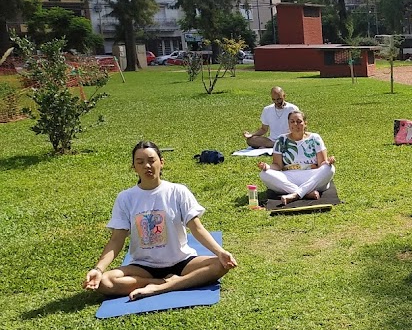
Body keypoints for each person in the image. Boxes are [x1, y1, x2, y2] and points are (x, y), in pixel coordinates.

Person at [84, 141, 237, 301]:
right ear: (134, 167)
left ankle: (162, 288)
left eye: (152, 160)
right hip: (143, 267)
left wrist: (220, 252)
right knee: (104, 282)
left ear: (161, 163)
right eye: (140, 162)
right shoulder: (125, 198)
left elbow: (197, 228)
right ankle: (161, 282)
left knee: (220, 264)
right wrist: (98, 269)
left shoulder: (178, 191)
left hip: (181, 262)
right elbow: (116, 239)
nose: (147, 166)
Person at [257, 110, 336, 204]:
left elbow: (322, 163)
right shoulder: (281, 140)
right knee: (264, 174)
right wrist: (268, 167)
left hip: (311, 176)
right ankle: (306, 193)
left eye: (299, 121)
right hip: (290, 176)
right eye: (292, 122)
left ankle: (295, 194)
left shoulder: (315, 138)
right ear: (288, 124)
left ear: (305, 123)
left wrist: (328, 162)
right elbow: (277, 165)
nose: (295, 124)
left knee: (329, 169)